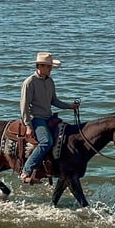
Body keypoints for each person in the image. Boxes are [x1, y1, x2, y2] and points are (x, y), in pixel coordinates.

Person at [19, 52, 79, 184]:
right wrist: (28, 126)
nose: (51, 69)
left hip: (49, 117)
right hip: (37, 118)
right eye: (48, 66)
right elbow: (24, 106)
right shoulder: (29, 82)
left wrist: (69, 106)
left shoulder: (50, 81)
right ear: (39, 66)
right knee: (46, 142)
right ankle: (26, 172)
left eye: (51, 66)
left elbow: (54, 101)